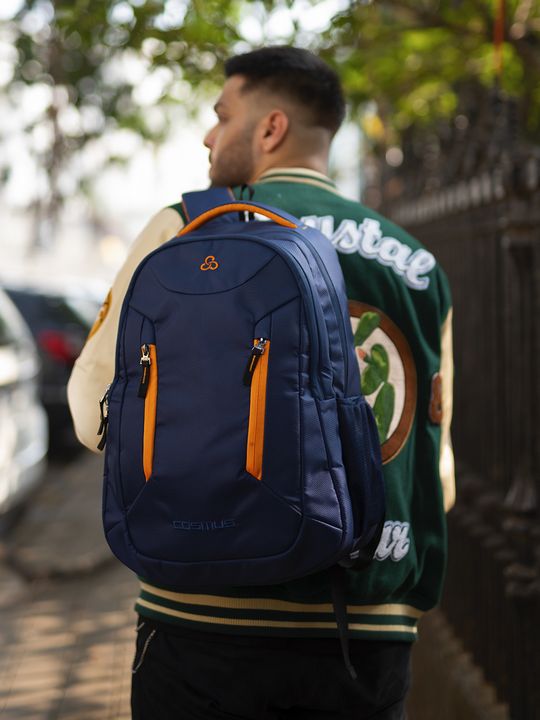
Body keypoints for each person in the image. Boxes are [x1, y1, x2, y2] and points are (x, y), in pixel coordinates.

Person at [68, 46, 454, 720]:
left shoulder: (188, 228)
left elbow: (89, 414)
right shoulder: (420, 266)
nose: (209, 135)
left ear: (271, 127)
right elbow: (440, 476)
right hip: (368, 630)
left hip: (203, 613)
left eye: (223, 116)